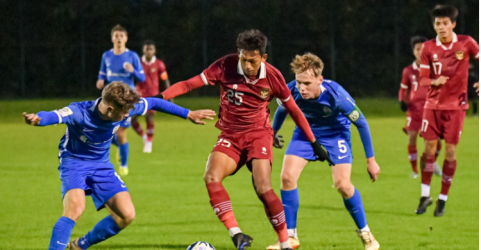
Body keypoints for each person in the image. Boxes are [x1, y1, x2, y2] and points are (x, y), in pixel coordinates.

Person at [159, 30, 332, 250]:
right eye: (244, 59)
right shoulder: (225, 66)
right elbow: (188, 84)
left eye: (253, 60)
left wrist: (314, 142)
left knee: (263, 188)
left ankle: (285, 243)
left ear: (263, 58)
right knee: (211, 176)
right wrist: (161, 97)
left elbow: (295, 111)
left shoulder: (273, 77)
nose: (248, 65)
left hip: (258, 134)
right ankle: (237, 234)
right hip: (230, 135)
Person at [23, 82, 215, 250]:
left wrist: (188, 113)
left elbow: (154, 102)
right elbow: (53, 115)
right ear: (109, 109)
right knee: (75, 209)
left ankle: (80, 245)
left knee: (126, 214)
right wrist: (38, 119)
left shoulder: (126, 108)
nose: (127, 116)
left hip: (102, 165)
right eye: (123, 113)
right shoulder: (79, 112)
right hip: (74, 163)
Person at [267, 53, 380, 250]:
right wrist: (272, 133)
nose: (302, 88)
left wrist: (371, 160)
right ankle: (290, 236)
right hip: (305, 133)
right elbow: (282, 110)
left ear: (320, 80)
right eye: (299, 82)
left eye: (307, 83)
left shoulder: (337, 96)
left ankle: (366, 234)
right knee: (286, 177)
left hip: (336, 135)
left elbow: (361, 123)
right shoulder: (291, 90)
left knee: (342, 185)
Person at [416, 5, 480, 216]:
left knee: (451, 151)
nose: (441, 27)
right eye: (437, 24)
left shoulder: (466, 42)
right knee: (428, 149)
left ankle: (443, 198)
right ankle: (425, 195)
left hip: (456, 107)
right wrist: (434, 81)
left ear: (453, 24)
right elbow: (423, 79)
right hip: (432, 106)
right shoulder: (427, 48)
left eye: (445, 23)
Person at [96, 24, 146, 175]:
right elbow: (102, 73)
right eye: (116, 36)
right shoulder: (106, 56)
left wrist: (133, 70)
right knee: (104, 131)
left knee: (120, 133)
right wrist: (100, 80)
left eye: (121, 36)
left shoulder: (132, 56)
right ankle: (120, 147)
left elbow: (142, 77)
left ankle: (123, 166)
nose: (118, 38)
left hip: (126, 99)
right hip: (110, 97)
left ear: (126, 38)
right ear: (112, 38)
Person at [398, 36, 442, 178]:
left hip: (430, 108)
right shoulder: (408, 71)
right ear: (414, 52)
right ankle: (415, 171)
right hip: (414, 109)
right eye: (418, 49)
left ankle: (432, 162)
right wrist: (402, 101)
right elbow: (403, 89)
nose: (421, 51)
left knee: (437, 141)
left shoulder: (433, 69)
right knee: (412, 137)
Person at [132, 40, 172, 153]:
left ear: (154, 51)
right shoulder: (138, 62)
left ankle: (149, 142)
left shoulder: (159, 64)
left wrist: (170, 95)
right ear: (143, 50)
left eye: (151, 49)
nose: (148, 51)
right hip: (139, 95)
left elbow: (165, 80)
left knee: (149, 117)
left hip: (153, 95)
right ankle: (144, 137)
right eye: (146, 49)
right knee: (132, 119)